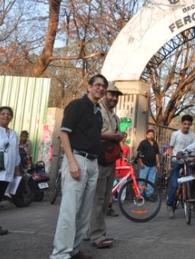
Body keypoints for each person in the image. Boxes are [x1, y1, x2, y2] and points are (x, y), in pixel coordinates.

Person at [50, 74, 107, 259]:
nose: (100, 88)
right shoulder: (77, 106)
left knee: (83, 211)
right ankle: (60, 254)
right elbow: (64, 134)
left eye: (103, 86)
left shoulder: (97, 111)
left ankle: (73, 249)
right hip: (77, 160)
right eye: (97, 85)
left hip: (92, 162)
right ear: (88, 87)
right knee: (70, 209)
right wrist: (72, 162)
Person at [87, 84, 124, 249]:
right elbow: (89, 134)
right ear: (104, 94)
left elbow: (116, 136)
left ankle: (93, 232)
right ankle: (97, 235)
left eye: (116, 96)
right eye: (111, 95)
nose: (114, 98)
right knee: (98, 198)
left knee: (105, 199)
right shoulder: (96, 112)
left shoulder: (116, 118)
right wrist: (106, 135)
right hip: (97, 160)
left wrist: (120, 136)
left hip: (111, 160)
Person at [165, 115, 195, 218]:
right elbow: (170, 148)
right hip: (176, 161)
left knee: (192, 180)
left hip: (187, 160)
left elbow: (194, 148)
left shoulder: (192, 135)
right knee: (174, 185)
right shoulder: (175, 134)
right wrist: (169, 163)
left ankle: (191, 200)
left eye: (188, 124)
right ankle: (169, 204)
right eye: (185, 124)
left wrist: (193, 158)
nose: (186, 126)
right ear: (182, 124)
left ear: (191, 125)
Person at [0, 107, 20, 236]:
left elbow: (15, 152)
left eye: (8, 114)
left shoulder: (13, 133)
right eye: (2, 114)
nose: (6, 116)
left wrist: (17, 168)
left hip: (7, 171)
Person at [110, 132, 131, 216]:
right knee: (114, 182)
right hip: (116, 163)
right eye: (123, 136)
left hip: (123, 164)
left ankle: (121, 198)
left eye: (125, 137)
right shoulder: (115, 146)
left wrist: (128, 162)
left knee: (123, 182)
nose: (124, 138)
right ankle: (113, 196)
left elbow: (128, 156)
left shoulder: (127, 147)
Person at [137, 129, 160, 201]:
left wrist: (158, 163)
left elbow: (157, 154)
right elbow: (139, 153)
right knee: (142, 180)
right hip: (145, 164)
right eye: (149, 134)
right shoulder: (143, 143)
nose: (151, 136)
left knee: (151, 181)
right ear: (147, 135)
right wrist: (140, 162)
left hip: (153, 165)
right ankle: (140, 195)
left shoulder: (155, 143)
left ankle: (148, 195)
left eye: (152, 134)